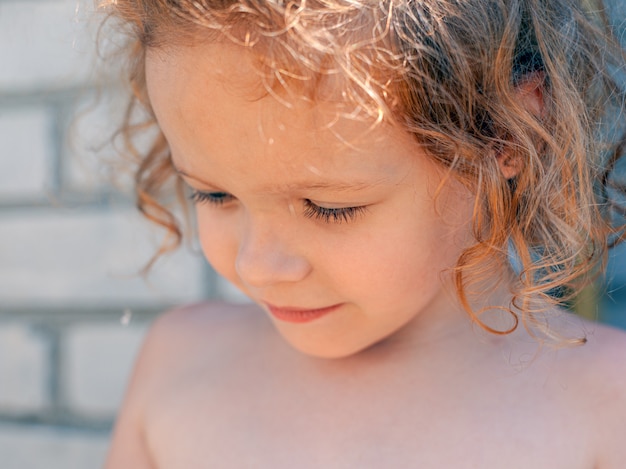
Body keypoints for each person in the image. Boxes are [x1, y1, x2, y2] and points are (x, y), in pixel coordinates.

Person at [101, 0, 626, 467]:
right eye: (214, 195)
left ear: (505, 135)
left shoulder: (607, 405)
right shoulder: (177, 364)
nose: (255, 265)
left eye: (329, 208)